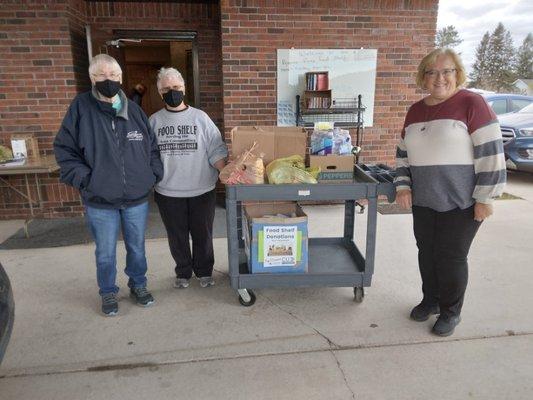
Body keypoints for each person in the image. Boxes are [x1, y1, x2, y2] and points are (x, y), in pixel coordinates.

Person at [394, 48, 506, 336]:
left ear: (457, 73)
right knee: (426, 253)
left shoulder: (473, 103)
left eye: (446, 71)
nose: (439, 78)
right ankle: (430, 300)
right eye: (431, 72)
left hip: (462, 202)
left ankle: (450, 312)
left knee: (451, 257)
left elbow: (491, 154)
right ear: (423, 77)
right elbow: (402, 155)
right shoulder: (415, 110)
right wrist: (403, 186)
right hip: (424, 200)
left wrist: (485, 198)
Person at [54, 54, 164, 316]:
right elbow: (64, 150)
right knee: (105, 252)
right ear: (92, 78)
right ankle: (108, 292)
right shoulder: (80, 108)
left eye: (114, 76)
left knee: (137, 248)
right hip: (100, 200)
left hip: (135, 198)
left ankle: (138, 284)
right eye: (102, 76)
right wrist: (87, 181)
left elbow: (152, 149)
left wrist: (152, 174)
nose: (109, 80)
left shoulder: (135, 111)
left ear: (121, 78)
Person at [149, 67, 227, 289]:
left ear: (184, 88)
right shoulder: (153, 122)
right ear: (159, 91)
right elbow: (147, 155)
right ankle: (183, 271)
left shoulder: (201, 118)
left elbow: (216, 150)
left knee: (203, 235)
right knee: (177, 236)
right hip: (168, 191)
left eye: (176, 87)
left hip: (202, 189)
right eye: (166, 88)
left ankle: (204, 271)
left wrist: (226, 173)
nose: (172, 91)